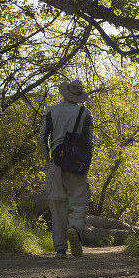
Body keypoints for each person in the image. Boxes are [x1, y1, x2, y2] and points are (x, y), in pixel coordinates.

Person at [40, 80, 93, 259]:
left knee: (57, 203)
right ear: (79, 96)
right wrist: (85, 165)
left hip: (56, 159)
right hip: (76, 161)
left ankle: (60, 249)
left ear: (65, 93)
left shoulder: (51, 111)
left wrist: (47, 157)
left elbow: (43, 138)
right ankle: (75, 229)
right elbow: (89, 142)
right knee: (80, 199)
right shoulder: (85, 113)